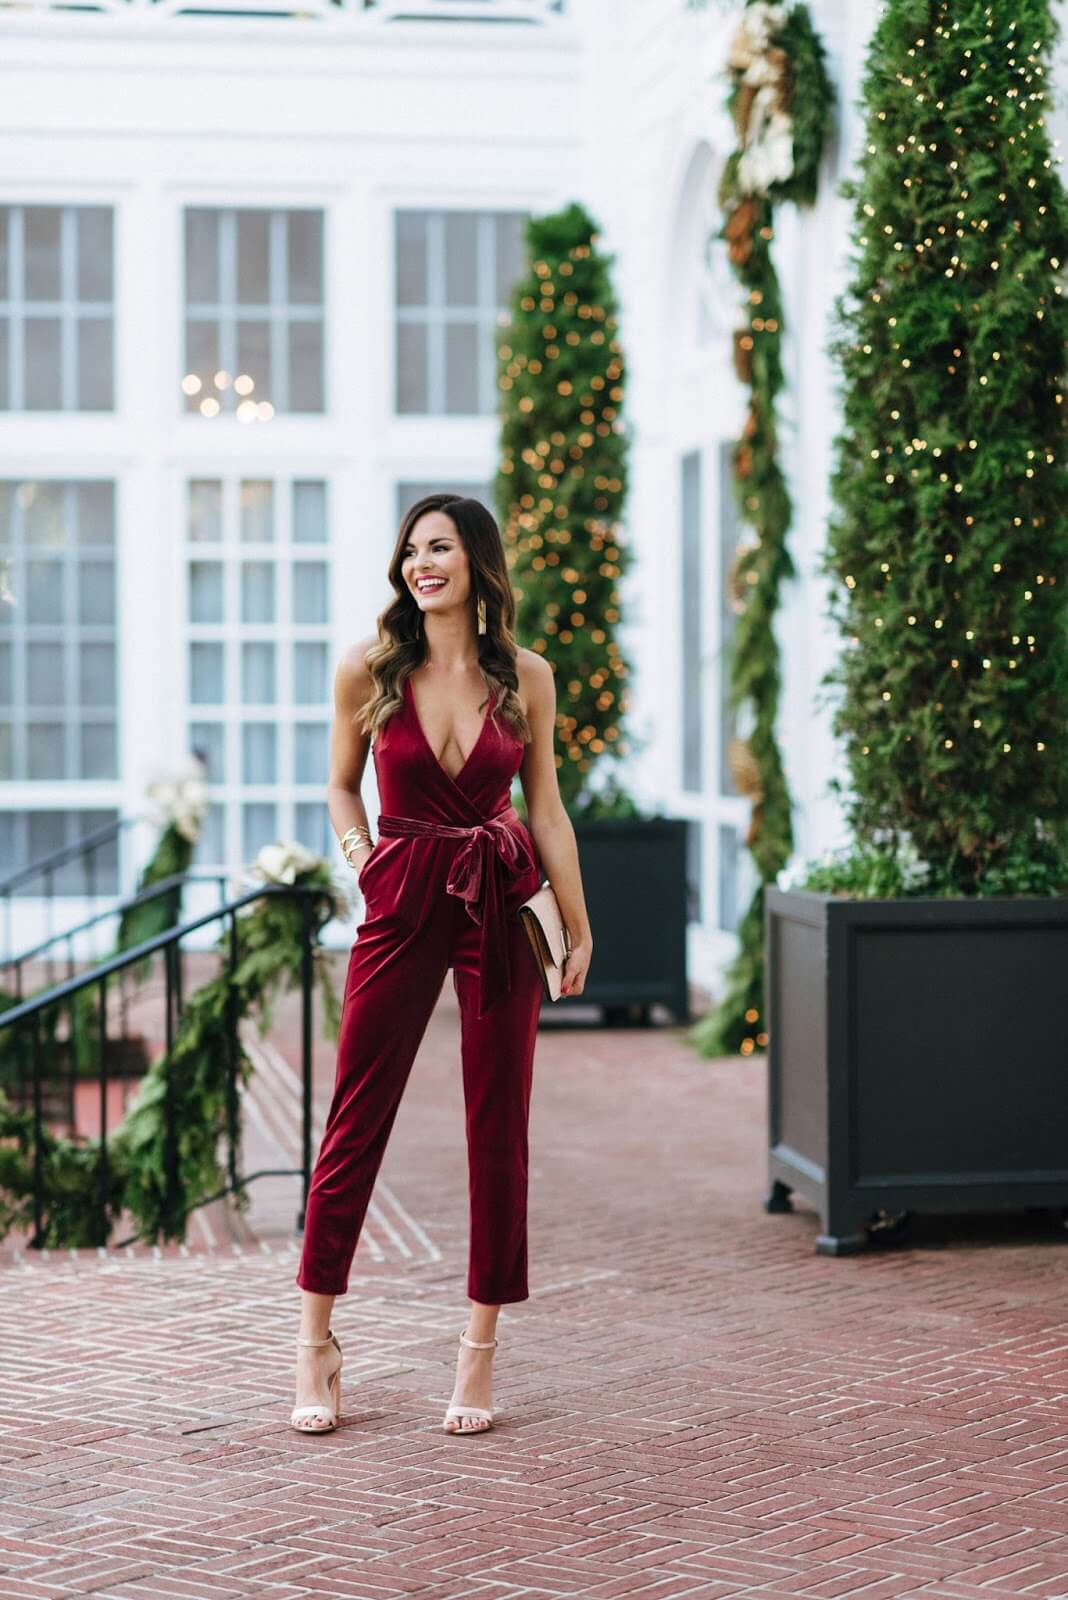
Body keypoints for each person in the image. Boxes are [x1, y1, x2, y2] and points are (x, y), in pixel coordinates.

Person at [290, 492, 593, 1437]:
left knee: (497, 1124)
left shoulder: (527, 677)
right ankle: (315, 1343)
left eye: (442, 549)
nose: (423, 564)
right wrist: (364, 863)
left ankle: (478, 1351)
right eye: (413, 550)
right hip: (401, 891)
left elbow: (545, 811)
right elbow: (341, 785)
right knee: (355, 1114)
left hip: (501, 896)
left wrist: (578, 927)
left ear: (478, 565)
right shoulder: (370, 669)